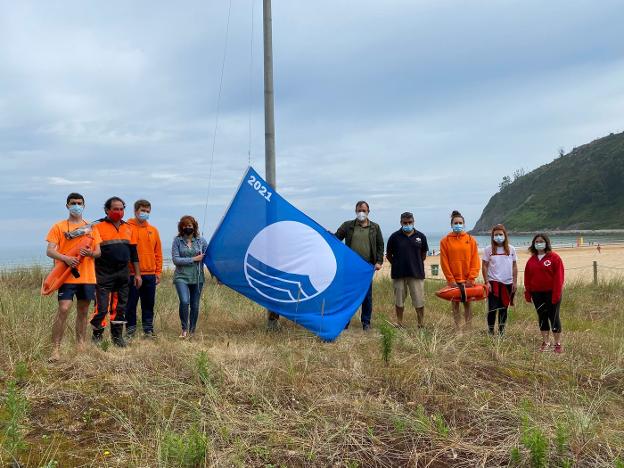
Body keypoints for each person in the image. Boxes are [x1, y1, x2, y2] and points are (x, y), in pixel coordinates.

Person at [45, 193, 102, 361]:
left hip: (87, 276)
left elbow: (98, 252)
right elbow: (50, 250)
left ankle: (80, 346)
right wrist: (66, 258)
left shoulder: (91, 227)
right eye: (73, 203)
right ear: (67, 205)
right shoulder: (58, 226)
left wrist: (90, 252)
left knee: (83, 311)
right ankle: (55, 350)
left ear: (84, 205)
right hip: (66, 276)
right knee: (63, 309)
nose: (76, 205)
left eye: (79, 203)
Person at [90, 197, 142, 347]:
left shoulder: (128, 228)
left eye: (121, 209)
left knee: (119, 308)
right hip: (103, 274)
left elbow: (134, 254)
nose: (119, 212)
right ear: (107, 210)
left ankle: (117, 338)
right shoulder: (97, 227)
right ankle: (97, 336)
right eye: (115, 209)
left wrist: (137, 274)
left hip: (123, 274)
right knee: (101, 307)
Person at [335, 201, 384, 331]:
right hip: (350, 266)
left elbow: (380, 246)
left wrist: (379, 262)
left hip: (367, 267)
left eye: (364, 210)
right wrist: (327, 235)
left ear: (368, 211)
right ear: (355, 211)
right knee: (348, 293)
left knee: (366, 296)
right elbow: (336, 238)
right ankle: (345, 321)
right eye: (359, 210)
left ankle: (366, 322)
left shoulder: (375, 227)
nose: (361, 213)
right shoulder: (348, 225)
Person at [126, 199, 163, 339]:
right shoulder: (128, 227)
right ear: (136, 211)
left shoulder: (153, 230)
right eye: (142, 211)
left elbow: (158, 253)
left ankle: (148, 330)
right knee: (131, 304)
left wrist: (158, 272)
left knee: (148, 304)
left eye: (147, 211)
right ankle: (130, 330)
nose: (145, 213)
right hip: (132, 274)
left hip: (150, 274)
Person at [386, 212, 429, 328]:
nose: (408, 224)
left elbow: (423, 254)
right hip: (398, 274)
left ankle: (420, 324)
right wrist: (396, 264)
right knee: (399, 301)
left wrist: (415, 264)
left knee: (419, 301)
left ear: (413, 222)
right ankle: (399, 323)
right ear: (401, 223)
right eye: (405, 223)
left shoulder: (421, 236)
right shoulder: (394, 237)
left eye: (410, 222)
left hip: (416, 274)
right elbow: (389, 255)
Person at [440, 210, 480, 332]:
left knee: (468, 305)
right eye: (455, 223)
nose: (458, 225)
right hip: (454, 281)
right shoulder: (445, 241)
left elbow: (475, 260)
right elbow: (444, 262)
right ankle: (458, 329)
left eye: (460, 223)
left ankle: (468, 329)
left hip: (468, 280)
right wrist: (451, 280)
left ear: (464, 224)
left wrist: (471, 278)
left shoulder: (470, 240)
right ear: (451, 224)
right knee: (455, 305)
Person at [524, 233, 565, 353]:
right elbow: (527, 278)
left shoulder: (554, 258)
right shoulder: (531, 261)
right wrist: (528, 292)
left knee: (554, 317)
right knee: (542, 317)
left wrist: (556, 294)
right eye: (536, 242)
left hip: (552, 293)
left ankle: (557, 343)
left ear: (546, 243)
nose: (539, 243)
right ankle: (546, 342)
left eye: (541, 241)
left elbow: (559, 278)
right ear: (533, 244)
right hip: (537, 294)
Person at [172, 215, 208, 338]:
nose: (188, 228)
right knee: (184, 301)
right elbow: (176, 260)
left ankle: (192, 331)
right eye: (185, 226)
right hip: (181, 276)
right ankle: (184, 329)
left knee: (195, 305)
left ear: (194, 226)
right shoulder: (177, 241)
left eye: (190, 226)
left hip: (197, 277)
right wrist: (193, 259)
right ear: (181, 227)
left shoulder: (201, 241)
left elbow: (209, 258)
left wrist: (217, 275)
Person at [481, 224, 517, 335]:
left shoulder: (511, 249)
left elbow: (514, 266)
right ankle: (490, 331)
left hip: (507, 283)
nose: (498, 237)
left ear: (505, 235)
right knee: (492, 309)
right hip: (493, 283)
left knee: (504, 308)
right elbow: (484, 266)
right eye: (496, 235)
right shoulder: (488, 249)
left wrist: (514, 282)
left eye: (500, 234)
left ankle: (501, 332)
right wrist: (487, 282)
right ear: (492, 236)